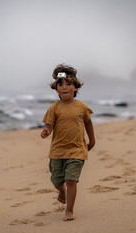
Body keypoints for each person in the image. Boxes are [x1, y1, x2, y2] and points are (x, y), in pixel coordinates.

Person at [41, 64, 95, 221]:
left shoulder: (82, 107)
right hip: (57, 151)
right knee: (57, 180)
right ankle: (61, 190)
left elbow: (88, 123)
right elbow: (49, 125)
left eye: (68, 84)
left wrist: (92, 140)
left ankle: (69, 210)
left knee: (71, 179)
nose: (64, 87)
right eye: (60, 84)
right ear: (56, 89)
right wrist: (46, 131)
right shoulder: (54, 108)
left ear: (76, 87)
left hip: (77, 150)